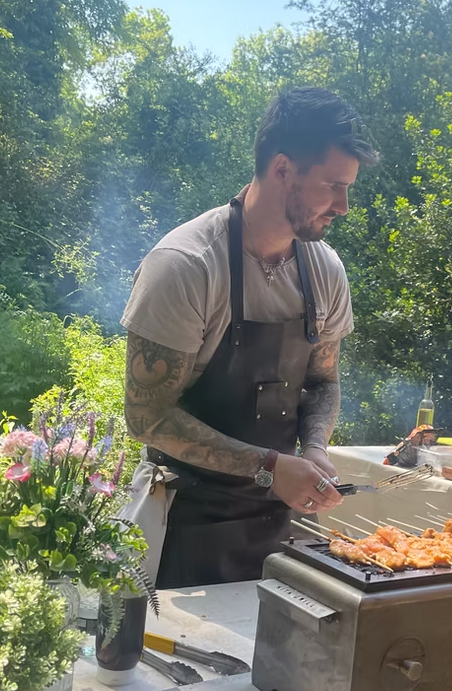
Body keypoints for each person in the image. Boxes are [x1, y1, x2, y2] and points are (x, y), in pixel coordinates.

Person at [119, 86, 379, 587]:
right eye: (332, 185)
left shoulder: (324, 269)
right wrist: (268, 467)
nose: (344, 206)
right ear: (283, 169)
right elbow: (146, 417)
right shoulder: (186, 267)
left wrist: (316, 451)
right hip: (187, 519)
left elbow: (322, 382)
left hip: (288, 520)